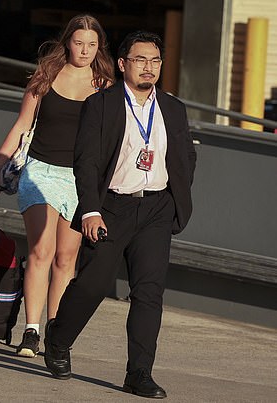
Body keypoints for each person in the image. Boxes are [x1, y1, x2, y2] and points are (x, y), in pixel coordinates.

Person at [43, 31, 197, 399]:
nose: (149, 67)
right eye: (141, 60)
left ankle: (139, 372)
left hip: (157, 207)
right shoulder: (102, 104)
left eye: (156, 61)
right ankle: (58, 338)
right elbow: (87, 160)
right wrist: (91, 210)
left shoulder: (174, 108)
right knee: (93, 285)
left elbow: (185, 156)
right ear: (123, 64)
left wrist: (176, 201)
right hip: (112, 207)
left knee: (148, 293)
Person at [0, 15, 114, 357]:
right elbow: (22, 123)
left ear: (99, 47)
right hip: (40, 170)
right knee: (41, 249)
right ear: (67, 42)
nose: (84, 50)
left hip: (80, 179)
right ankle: (31, 330)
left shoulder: (105, 87)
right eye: (78, 42)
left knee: (66, 258)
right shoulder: (46, 75)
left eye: (91, 44)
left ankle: (55, 331)